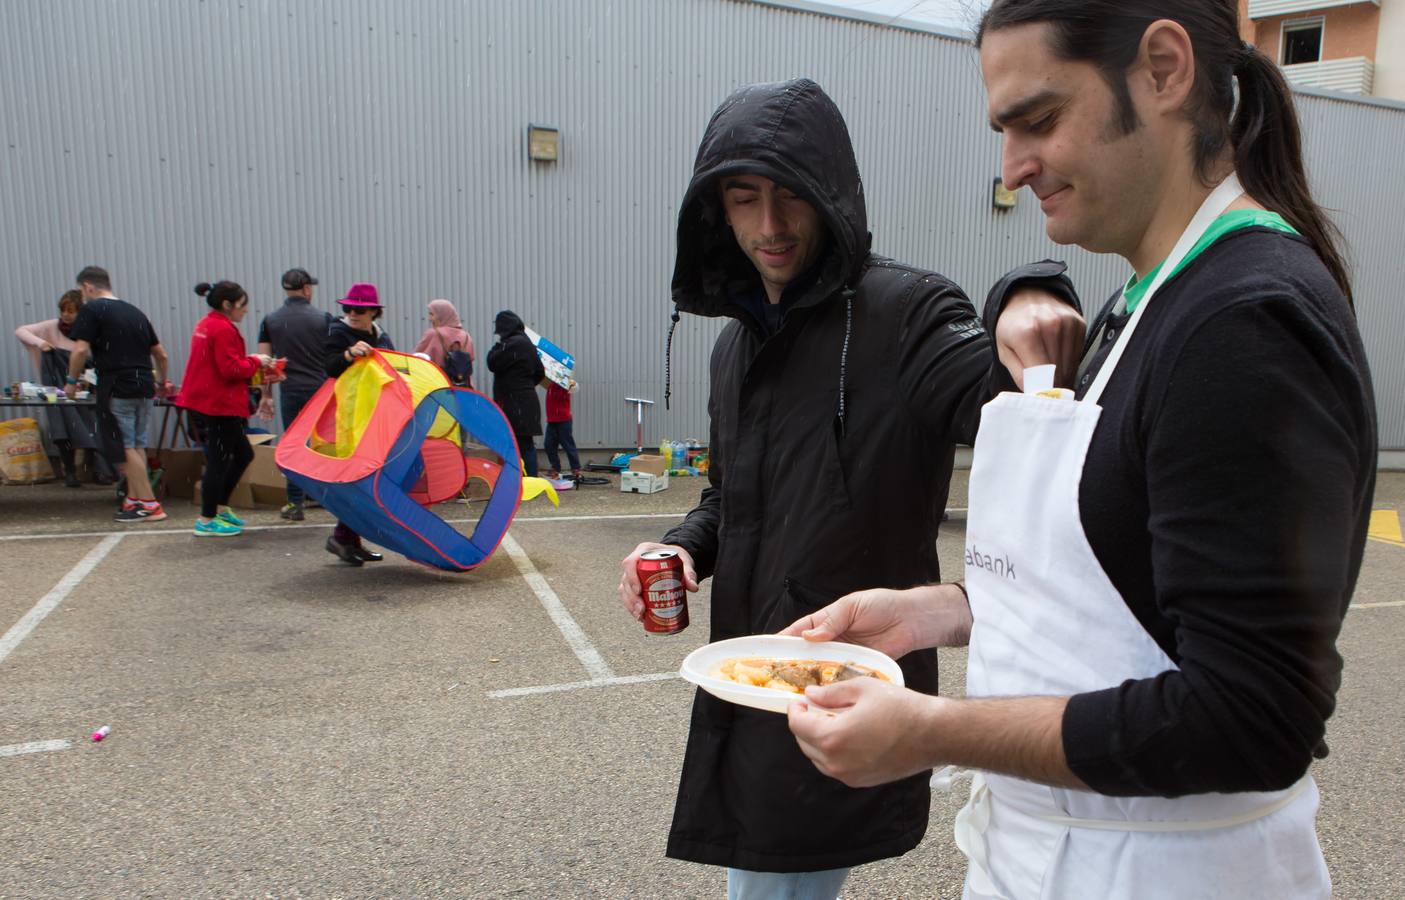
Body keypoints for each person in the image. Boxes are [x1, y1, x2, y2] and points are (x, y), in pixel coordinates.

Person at [781, 5, 1377, 898]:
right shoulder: (1145, 301)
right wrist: (939, 612)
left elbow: (1252, 718)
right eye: (1004, 130)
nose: (1012, 168)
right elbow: (1128, 588)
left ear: (1165, 69)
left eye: (1039, 120)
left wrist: (930, 730)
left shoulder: (1243, 323)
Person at [614, 78, 1073, 898]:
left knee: (775, 880)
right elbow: (730, 496)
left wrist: (1027, 292)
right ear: (714, 209)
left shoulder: (908, 311)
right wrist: (681, 547)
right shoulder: (735, 345)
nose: (769, 226)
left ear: (832, 194)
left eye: (791, 195)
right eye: (742, 198)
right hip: (751, 671)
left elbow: (1008, 408)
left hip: (845, 675)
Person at [65, 266, 171, 523]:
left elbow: (80, 351)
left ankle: (149, 504)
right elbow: (161, 354)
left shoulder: (92, 309)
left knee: (125, 445)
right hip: (144, 383)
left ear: (88, 286)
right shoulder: (135, 312)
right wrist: (161, 380)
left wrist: (70, 381)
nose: (83, 295)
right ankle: (134, 498)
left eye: (82, 290)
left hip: (117, 383)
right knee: (137, 443)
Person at [178, 281, 273, 537]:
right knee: (221, 461)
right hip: (218, 404)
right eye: (242, 306)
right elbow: (230, 369)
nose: (245, 311)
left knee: (242, 455)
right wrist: (256, 361)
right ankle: (207, 519)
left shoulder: (206, 324)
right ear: (227, 305)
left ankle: (219, 508)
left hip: (210, 401)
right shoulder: (222, 329)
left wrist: (249, 362)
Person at [322, 282, 392, 565]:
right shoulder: (339, 333)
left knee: (367, 478)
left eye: (360, 309)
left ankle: (348, 539)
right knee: (357, 477)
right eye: (348, 308)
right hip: (350, 417)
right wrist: (349, 354)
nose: (352, 312)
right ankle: (343, 537)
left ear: (374, 312)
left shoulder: (381, 337)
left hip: (376, 415)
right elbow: (329, 367)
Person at [15, 290, 113, 486]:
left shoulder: (88, 331)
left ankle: (98, 470)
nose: (65, 315)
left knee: (92, 425)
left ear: (81, 312)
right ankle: (69, 472)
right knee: (62, 426)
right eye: (63, 311)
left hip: (83, 390)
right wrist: (41, 343)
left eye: (70, 311)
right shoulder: (52, 327)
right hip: (56, 390)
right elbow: (21, 331)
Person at [256, 267, 332, 521]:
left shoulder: (270, 320)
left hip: (289, 389)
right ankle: (321, 494)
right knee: (318, 443)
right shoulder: (323, 318)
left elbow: (266, 364)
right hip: (319, 389)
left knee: (293, 444)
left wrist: (266, 395)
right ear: (307, 289)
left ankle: (294, 502)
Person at [486, 310, 545, 478]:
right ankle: (531, 481)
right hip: (527, 402)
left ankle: (516, 482)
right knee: (526, 445)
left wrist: (498, 345)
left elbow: (491, 362)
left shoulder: (509, 344)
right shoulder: (527, 344)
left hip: (512, 403)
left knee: (512, 445)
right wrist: (525, 386)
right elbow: (540, 372)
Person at [413, 298, 476, 389]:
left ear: (442, 316)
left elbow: (415, 359)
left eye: (432, 314)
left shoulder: (433, 334)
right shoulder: (466, 337)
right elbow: (471, 359)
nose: (429, 319)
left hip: (437, 389)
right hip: (463, 388)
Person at [542, 378, 580, 480]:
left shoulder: (565, 383)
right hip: (551, 421)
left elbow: (575, 388)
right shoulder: (550, 384)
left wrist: (572, 383)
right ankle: (555, 468)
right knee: (548, 444)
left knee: (568, 445)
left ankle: (575, 468)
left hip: (564, 420)